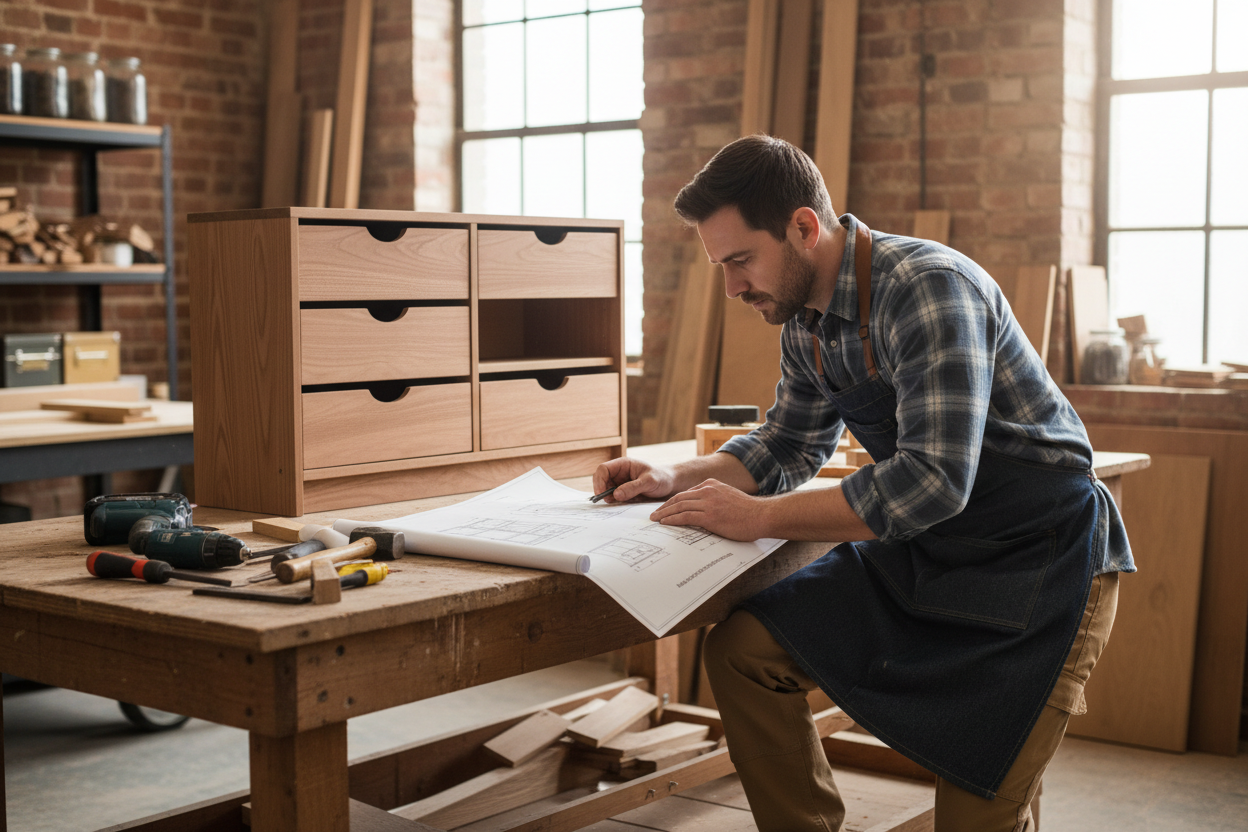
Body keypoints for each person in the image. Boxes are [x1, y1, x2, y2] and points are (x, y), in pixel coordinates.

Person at [592, 135, 1134, 832]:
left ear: (803, 228)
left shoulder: (928, 288)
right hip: (933, 551)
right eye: (720, 267)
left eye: (740, 260)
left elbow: (934, 482)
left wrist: (759, 518)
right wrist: (672, 476)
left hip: (1037, 563)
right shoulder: (804, 321)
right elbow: (788, 444)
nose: (732, 288)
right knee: (743, 651)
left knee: (976, 813)